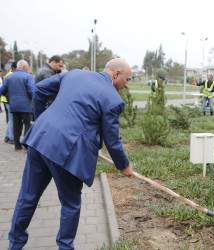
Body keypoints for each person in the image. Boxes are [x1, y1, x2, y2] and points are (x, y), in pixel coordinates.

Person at [8, 58, 134, 249]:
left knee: (28, 196)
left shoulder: (74, 74)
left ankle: (15, 244)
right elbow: (112, 139)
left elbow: (40, 89)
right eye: (127, 79)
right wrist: (124, 165)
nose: (126, 84)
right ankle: (65, 247)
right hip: (67, 152)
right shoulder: (113, 99)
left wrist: (43, 121)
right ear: (116, 74)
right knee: (71, 204)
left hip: (40, 140)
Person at [0, 60, 34, 151]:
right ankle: (26, 146)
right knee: (28, 125)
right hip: (26, 106)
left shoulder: (9, 77)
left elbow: (2, 90)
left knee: (16, 125)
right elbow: (32, 91)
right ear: (24, 67)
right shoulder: (29, 77)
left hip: (14, 106)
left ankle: (17, 146)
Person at [2, 62, 17, 144]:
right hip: (9, 100)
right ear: (14, 68)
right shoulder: (10, 75)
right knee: (12, 119)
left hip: (6, 100)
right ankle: (11, 137)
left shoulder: (8, 75)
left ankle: (7, 136)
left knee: (10, 119)